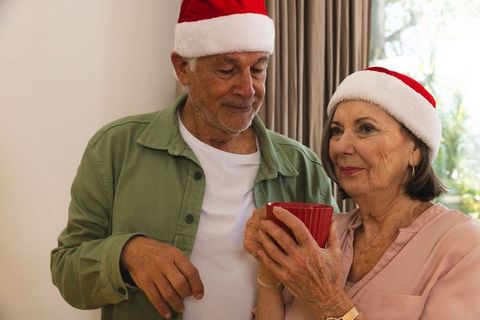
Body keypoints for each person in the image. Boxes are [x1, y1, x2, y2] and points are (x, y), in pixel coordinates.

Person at [50, 1, 337, 319]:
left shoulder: (302, 168)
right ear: (183, 68)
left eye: (258, 69)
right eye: (227, 70)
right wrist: (127, 253)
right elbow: (67, 271)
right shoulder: (115, 148)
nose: (247, 88)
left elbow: (337, 278)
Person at [244, 66, 480, 320]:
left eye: (366, 129)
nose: (341, 146)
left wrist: (328, 300)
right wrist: (269, 268)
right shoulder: (326, 234)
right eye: (336, 131)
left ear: (415, 150)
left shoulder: (464, 246)